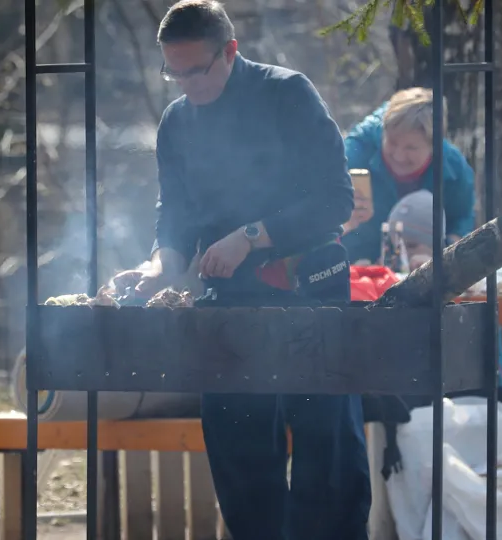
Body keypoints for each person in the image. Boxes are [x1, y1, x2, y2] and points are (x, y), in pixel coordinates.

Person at [126, 1, 371, 538]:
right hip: (230, 299)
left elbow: (335, 198)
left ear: (230, 51)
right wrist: (162, 263)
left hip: (311, 288)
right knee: (237, 444)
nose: (186, 84)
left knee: (326, 443)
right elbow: (175, 213)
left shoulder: (287, 94)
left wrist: (251, 235)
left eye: (196, 70)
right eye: (173, 72)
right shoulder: (176, 121)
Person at [385, 189, 502, 397]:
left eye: (411, 245)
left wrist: (433, 270)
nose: (404, 254)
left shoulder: (462, 262)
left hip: (488, 387)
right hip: (437, 384)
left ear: (434, 242)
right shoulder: (395, 273)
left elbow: (476, 286)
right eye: (396, 247)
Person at [340, 87, 475, 263]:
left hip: (423, 263)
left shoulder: (454, 169)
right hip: (356, 261)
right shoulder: (352, 155)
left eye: (411, 148)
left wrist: (440, 255)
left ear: (434, 146)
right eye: (392, 142)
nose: (399, 155)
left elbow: (461, 222)